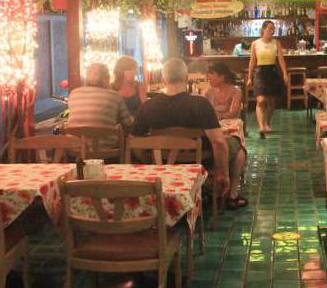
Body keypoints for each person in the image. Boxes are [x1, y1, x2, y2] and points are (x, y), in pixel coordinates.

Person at [133, 58, 247, 209]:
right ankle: (230, 193)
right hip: (200, 161)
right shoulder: (201, 104)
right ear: (186, 78)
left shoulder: (148, 106)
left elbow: (134, 140)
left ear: (163, 79)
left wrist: (150, 162)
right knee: (238, 147)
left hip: (164, 162)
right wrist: (223, 173)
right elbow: (218, 142)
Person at [67, 63, 133, 147]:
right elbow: (128, 124)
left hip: (75, 149)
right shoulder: (114, 95)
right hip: (109, 150)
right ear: (105, 79)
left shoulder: (74, 93)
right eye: (108, 77)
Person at [247, 20, 289, 139]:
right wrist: (249, 77)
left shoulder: (276, 42)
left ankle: (267, 123)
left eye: (273, 29)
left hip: (272, 72)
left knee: (271, 103)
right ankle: (261, 126)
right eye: (270, 28)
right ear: (263, 29)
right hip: (260, 73)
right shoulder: (255, 44)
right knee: (260, 100)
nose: (272, 31)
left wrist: (285, 73)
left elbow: (281, 59)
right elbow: (252, 61)